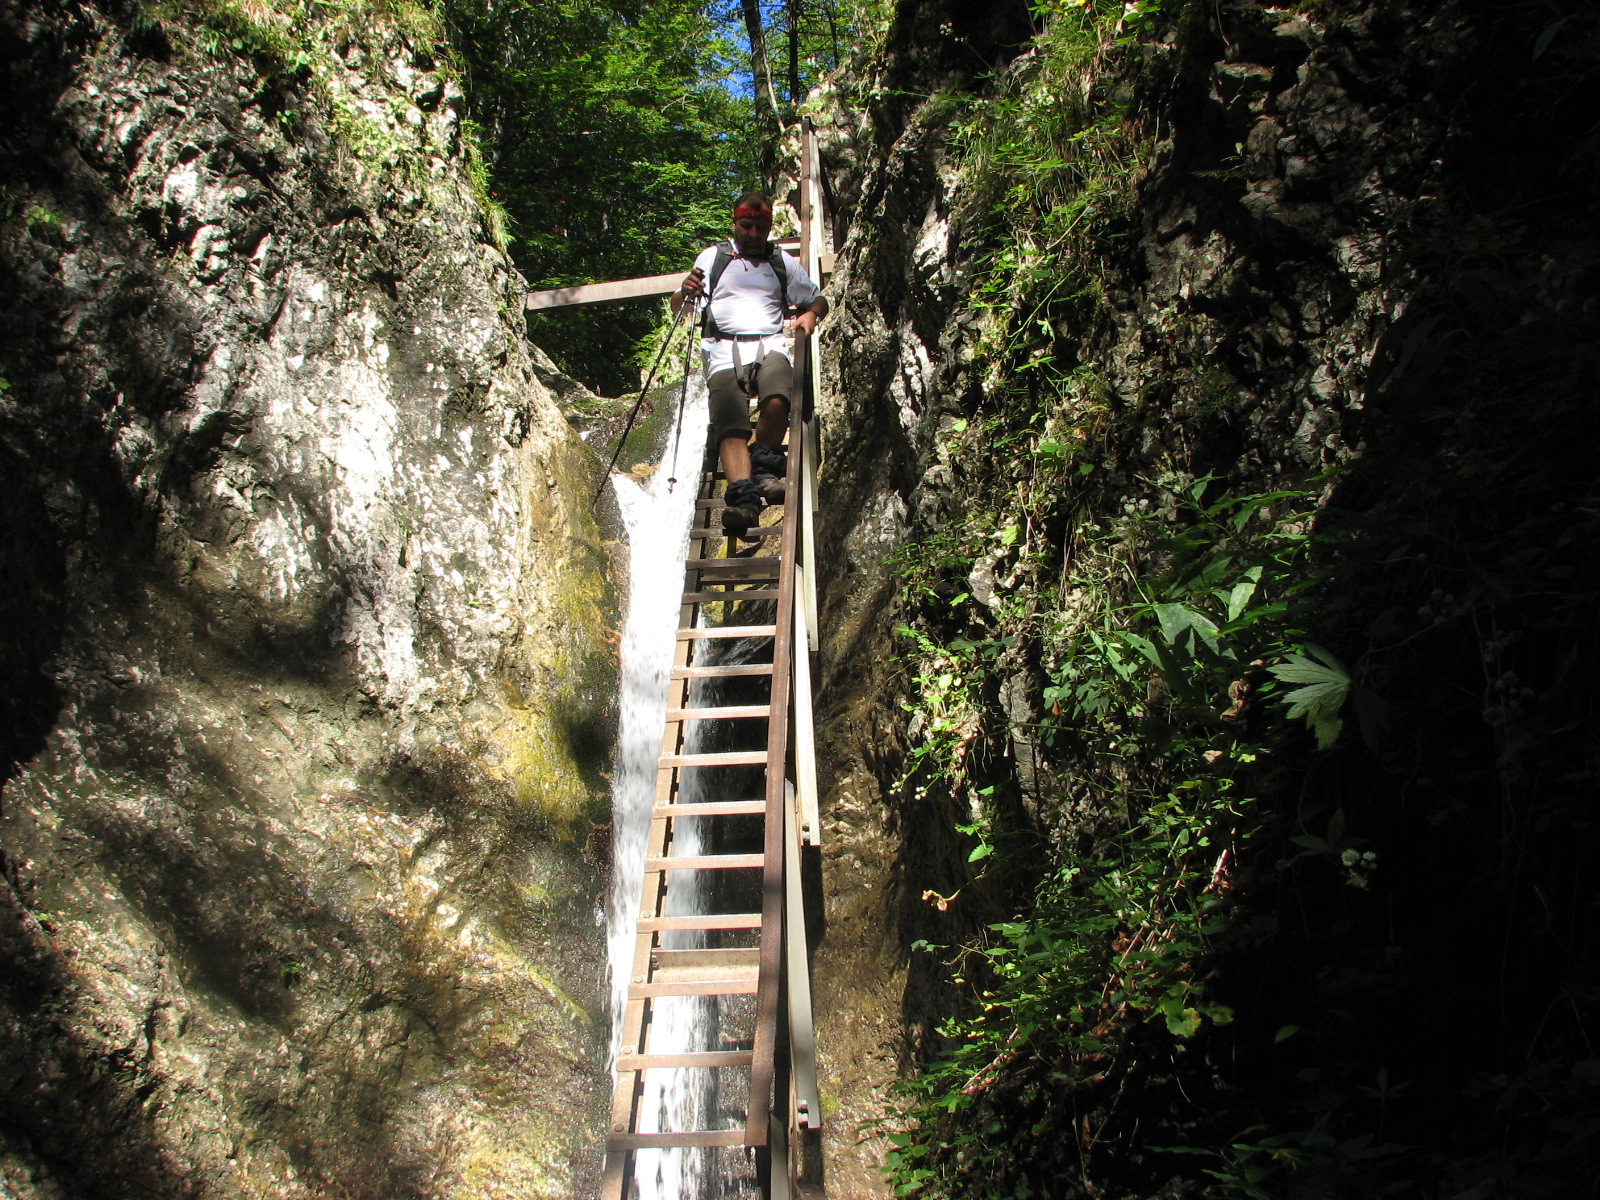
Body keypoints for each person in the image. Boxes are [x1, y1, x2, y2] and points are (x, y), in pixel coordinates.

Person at [671, 192, 829, 537]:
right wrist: (684, 291)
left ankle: (763, 464)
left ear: (769, 227)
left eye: (761, 227)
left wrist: (811, 315)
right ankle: (744, 501)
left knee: (779, 399)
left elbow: (817, 298)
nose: (754, 233)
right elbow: (683, 308)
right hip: (722, 349)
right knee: (732, 425)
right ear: (735, 223)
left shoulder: (781, 261)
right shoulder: (713, 257)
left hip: (769, 344)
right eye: (746, 226)